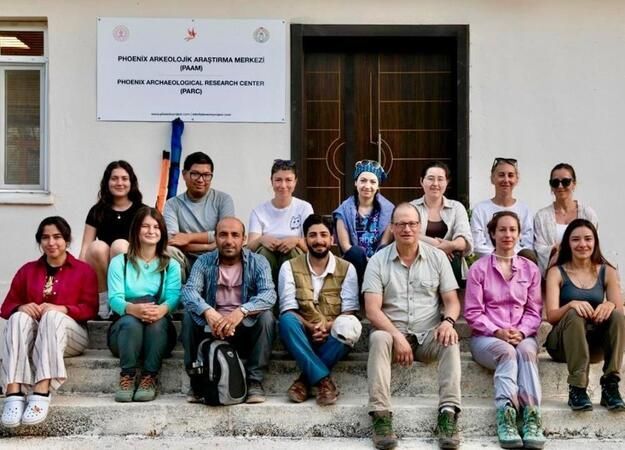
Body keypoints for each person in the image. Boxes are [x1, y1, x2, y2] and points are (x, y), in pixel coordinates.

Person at [363, 203, 462, 450]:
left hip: (428, 336)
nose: (407, 229)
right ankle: (381, 416)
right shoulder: (378, 261)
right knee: (378, 338)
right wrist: (397, 336)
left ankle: (448, 414)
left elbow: (452, 302)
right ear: (392, 227)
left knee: (450, 339)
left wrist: (448, 322)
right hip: (392, 336)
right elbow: (372, 310)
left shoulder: (437, 258)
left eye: (412, 224)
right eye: (401, 224)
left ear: (420, 227)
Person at [1, 217, 97, 428]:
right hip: (36, 334)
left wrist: (64, 309)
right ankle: (13, 392)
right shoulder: (27, 270)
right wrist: (21, 307)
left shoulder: (83, 270)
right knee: (17, 317)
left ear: (67, 240)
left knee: (52, 316)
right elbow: (6, 307)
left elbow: (91, 309)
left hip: (71, 335)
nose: (51, 242)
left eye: (57, 237)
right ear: (40, 241)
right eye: (45, 238)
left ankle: (41, 390)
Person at [464, 211, 545, 449]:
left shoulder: (530, 270)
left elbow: (534, 310)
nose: (507, 234)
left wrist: (522, 332)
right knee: (507, 352)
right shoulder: (479, 269)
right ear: (492, 233)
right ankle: (506, 416)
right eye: (502, 229)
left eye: (512, 230)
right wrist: (497, 331)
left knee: (526, 352)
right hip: (486, 338)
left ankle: (531, 417)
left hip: (523, 335)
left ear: (519, 234)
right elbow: (473, 312)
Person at [181, 217, 276, 404]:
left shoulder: (258, 262)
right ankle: (197, 380)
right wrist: (209, 312)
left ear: (244, 239)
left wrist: (241, 312)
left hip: (244, 328)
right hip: (212, 328)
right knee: (189, 317)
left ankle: (254, 381)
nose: (229, 241)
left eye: (235, 235)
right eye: (223, 235)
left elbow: (269, 294)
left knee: (266, 317)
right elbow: (189, 291)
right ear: (216, 238)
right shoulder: (203, 262)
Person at [278, 214, 360, 405]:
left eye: (323, 235)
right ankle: (324, 381)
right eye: (312, 235)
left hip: (332, 337)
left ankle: (304, 381)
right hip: (302, 336)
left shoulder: (347, 268)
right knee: (286, 321)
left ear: (332, 239)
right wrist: (310, 327)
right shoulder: (289, 267)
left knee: (350, 325)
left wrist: (326, 327)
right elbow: (288, 309)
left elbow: (348, 311)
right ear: (305, 239)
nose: (318, 240)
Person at [544, 219, 625, 412]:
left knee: (617, 315)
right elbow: (551, 316)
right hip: (563, 345)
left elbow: (620, 311)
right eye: (576, 239)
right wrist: (571, 304)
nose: (582, 244)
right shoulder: (556, 272)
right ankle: (577, 388)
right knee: (574, 313)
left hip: (594, 347)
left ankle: (611, 385)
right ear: (568, 243)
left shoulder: (607, 271)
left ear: (595, 242)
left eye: (588, 239)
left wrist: (610, 304)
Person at [107, 207, 181, 402]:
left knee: (157, 323)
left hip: (158, 328)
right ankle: (127, 376)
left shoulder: (171, 265)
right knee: (131, 323)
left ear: (162, 231)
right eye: (145, 226)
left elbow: (174, 297)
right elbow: (114, 298)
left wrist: (162, 310)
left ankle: (149, 377)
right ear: (136, 230)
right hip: (124, 330)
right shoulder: (119, 262)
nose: (151, 231)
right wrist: (133, 309)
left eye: (156, 227)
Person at [79, 160, 145, 318]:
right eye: (114, 178)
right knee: (97, 247)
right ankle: (104, 300)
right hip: (103, 269)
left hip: (133, 269)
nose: (119, 183)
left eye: (124, 178)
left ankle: (120, 299)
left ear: (131, 182)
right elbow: (85, 247)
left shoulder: (142, 211)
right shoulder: (97, 211)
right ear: (107, 182)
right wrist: (76, 276)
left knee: (119, 246)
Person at [164, 151, 235, 274]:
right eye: (195, 174)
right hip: (185, 259)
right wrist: (209, 245)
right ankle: (176, 287)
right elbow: (173, 241)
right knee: (168, 251)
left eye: (206, 175)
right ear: (184, 174)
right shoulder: (172, 204)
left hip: (217, 258)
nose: (201, 180)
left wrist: (188, 238)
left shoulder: (223, 200)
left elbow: (226, 235)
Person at [247, 159, 313, 285]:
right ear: (271, 181)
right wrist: (261, 240)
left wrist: (297, 241)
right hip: (267, 263)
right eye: (278, 180)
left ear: (295, 181)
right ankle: (266, 292)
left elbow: (311, 246)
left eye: (288, 180)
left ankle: (294, 294)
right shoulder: (259, 211)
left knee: (292, 252)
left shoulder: (304, 208)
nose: (283, 185)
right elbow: (249, 247)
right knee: (264, 252)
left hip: (294, 263)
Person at [410, 161, 473, 284]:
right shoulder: (412, 207)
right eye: (430, 178)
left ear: (447, 182)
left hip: (450, 267)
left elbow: (464, 240)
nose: (435, 184)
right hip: (418, 265)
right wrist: (438, 247)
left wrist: (451, 245)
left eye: (440, 179)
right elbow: (408, 236)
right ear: (422, 181)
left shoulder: (456, 208)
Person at [333, 160, 394, 286]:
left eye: (373, 182)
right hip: (354, 262)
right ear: (356, 182)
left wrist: (373, 262)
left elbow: (384, 244)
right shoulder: (343, 210)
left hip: (380, 261)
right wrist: (364, 260)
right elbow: (345, 246)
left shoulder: (389, 211)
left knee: (385, 252)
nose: (367, 186)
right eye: (363, 180)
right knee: (356, 253)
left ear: (378, 186)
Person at [534, 163, 598, 275]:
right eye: (555, 182)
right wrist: (553, 249)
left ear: (574, 184)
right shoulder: (542, 216)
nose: (560, 186)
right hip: (554, 274)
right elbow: (539, 248)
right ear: (551, 186)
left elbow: (593, 244)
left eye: (565, 182)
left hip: (583, 273)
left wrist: (563, 248)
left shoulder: (588, 214)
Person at [470, 158, 535, 261]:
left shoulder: (525, 210)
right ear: (492, 178)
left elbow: (527, 245)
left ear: (516, 179)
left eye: (510, 175)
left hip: (518, 265)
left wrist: (511, 258)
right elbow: (477, 245)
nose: (506, 180)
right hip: (487, 264)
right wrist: (500, 257)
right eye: (501, 175)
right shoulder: (480, 209)